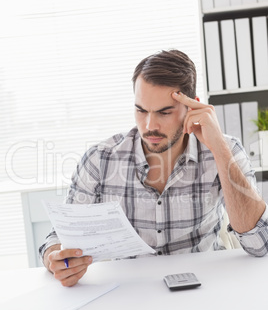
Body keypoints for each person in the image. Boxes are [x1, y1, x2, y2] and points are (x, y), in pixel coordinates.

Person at [39, 49, 268, 287]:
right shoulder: (100, 159)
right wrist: (55, 257)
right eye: (141, 110)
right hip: (130, 293)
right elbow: (59, 237)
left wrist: (219, 149)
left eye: (164, 112)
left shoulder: (225, 150)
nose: (150, 125)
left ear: (192, 107)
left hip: (204, 289)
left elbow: (260, 243)